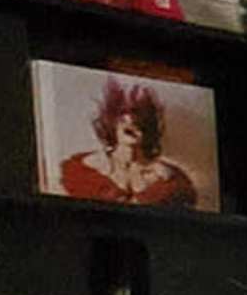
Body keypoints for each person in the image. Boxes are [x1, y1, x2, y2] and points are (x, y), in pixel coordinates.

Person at [55, 77, 201, 207]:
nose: (130, 120)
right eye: (122, 118)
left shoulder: (172, 179)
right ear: (111, 124)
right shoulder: (83, 168)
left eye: (140, 121)